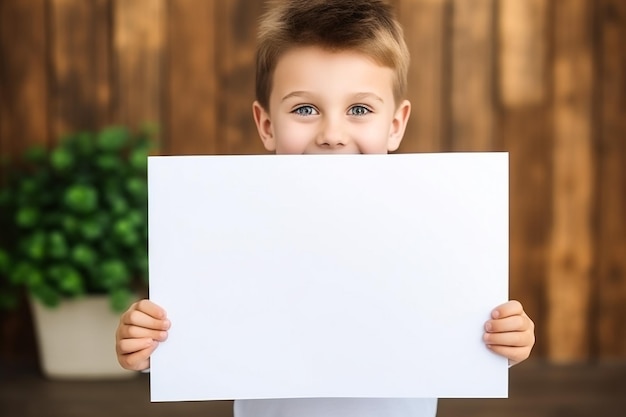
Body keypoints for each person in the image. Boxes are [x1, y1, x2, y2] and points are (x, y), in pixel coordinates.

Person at [115, 1, 535, 416]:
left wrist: (505, 342)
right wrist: (149, 346)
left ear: (394, 125)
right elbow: (199, 335)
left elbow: (463, 335)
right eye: (305, 109)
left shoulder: (429, 231)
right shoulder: (234, 230)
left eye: (359, 110)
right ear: (266, 125)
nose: (332, 134)